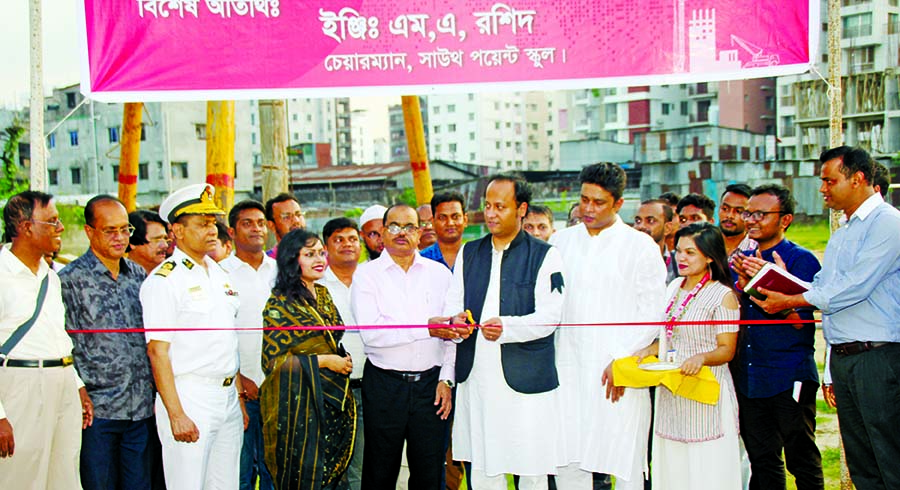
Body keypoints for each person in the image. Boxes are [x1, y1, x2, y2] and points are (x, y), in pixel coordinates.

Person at [753, 146, 900, 489]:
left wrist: (791, 297)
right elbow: (823, 287)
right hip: (848, 356)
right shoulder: (844, 230)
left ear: (858, 179)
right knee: (863, 463)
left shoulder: (888, 224)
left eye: (829, 180)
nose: (822, 189)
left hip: (878, 356)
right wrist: (780, 279)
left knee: (889, 459)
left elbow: (853, 288)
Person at [444, 174, 566, 490]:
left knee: (533, 468)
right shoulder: (469, 253)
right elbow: (453, 307)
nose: (492, 213)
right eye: (487, 205)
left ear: (521, 208)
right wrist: (456, 325)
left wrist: (508, 327)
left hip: (526, 381)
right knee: (484, 467)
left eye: (501, 206)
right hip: (478, 380)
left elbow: (551, 317)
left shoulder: (544, 254)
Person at [552, 164, 666, 490]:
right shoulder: (560, 243)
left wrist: (621, 359)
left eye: (598, 202)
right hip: (568, 370)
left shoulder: (640, 246)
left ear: (618, 203)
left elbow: (652, 312)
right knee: (569, 459)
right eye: (584, 199)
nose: (588, 208)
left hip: (619, 372)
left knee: (625, 459)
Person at [141, 183, 246, 490]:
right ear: (177, 231)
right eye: (202, 224)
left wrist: (237, 396)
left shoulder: (219, 274)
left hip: (226, 395)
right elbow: (157, 352)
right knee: (187, 483)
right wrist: (176, 414)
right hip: (189, 394)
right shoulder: (165, 280)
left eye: (213, 223)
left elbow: (227, 342)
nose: (211, 230)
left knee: (225, 484)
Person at [351, 204, 455, 490]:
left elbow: (451, 334)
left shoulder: (440, 274)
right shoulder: (366, 275)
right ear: (382, 232)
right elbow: (373, 334)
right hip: (386, 384)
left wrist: (447, 378)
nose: (401, 233)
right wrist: (426, 327)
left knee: (430, 472)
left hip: (431, 386)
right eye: (394, 226)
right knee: (380, 470)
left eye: (409, 227)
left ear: (420, 233)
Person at [633, 222, 742, 489]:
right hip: (672, 393)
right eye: (679, 251)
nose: (681, 258)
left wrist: (702, 358)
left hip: (706, 394)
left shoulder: (723, 295)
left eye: (690, 253)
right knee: (673, 466)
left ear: (709, 256)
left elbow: (727, 349)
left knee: (707, 469)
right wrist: (649, 349)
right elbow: (668, 334)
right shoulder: (673, 288)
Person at [730, 185, 824, 490]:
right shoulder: (741, 258)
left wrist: (766, 285)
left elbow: (801, 324)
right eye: (748, 213)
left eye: (761, 214)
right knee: (762, 459)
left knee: (801, 457)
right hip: (749, 376)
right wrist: (741, 283)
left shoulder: (801, 260)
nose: (751, 220)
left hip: (787, 375)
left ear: (785, 220)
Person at [60, 195, 156, 490]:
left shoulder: (137, 275)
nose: (119, 237)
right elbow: (64, 342)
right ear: (90, 231)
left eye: (125, 230)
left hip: (140, 408)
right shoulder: (70, 280)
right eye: (110, 230)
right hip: (98, 411)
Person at [0, 191, 92, 489]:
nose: (61, 228)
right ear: (27, 227)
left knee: (64, 476)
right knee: (22, 477)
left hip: (61, 381)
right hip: (20, 383)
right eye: (52, 221)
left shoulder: (50, 276)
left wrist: (76, 384)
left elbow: (56, 334)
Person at [260, 229, 355, 490]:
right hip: (297, 409)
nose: (319, 259)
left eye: (321, 253)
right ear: (293, 259)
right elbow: (273, 361)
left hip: (331, 403)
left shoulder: (323, 294)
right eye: (309, 254)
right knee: (304, 477)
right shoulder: (279, 303)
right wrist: (324, 361)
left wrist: (341, 357)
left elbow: (330, 338)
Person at [219, 200, 276, 490]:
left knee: (274, 472)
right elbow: (217, 337)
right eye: (247, 223)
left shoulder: (280, 272)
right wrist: (240, 380)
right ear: (231, 231)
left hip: (277, 389)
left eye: (260, 222)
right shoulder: (219, 274)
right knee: (239, 472)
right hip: (237, 392)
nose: (256, 228)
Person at [317, 217, 366, 490]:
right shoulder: (316, 285)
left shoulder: (372, 279)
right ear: (326, 247)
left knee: (363, 465)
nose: (347, 245)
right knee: (332, 468)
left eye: (352, 239)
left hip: (370, 386)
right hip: (330, 391)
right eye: (338, 239)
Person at [420, 192, 468, 270]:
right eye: (442, 217)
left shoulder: (477, 258)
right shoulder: (421, 260)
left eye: (455, 217)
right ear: (433, 222)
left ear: (465, 220)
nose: (450, 223)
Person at [634, 199, 678, 283]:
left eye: (650, 221)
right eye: (638, 221)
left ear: (667, 228)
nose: (641, 226)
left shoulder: (678, 264)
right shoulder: (623, 261)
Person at [718, 184, 757, 266]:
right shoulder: (703, 245)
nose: (729, 215)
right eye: (725, 209)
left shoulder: (756, 252)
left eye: (738, 211)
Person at [129, 210, 171, 274]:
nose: (165, 245)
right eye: (157, 239)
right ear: (133, 243)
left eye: (165, 238)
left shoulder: (173, 276)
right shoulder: (117, 278)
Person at [265, 193, 306, 258]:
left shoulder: (323, 259)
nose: (296, 221)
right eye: (287, 217)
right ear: (271, 225)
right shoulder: (266, 263)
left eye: (298, 215)